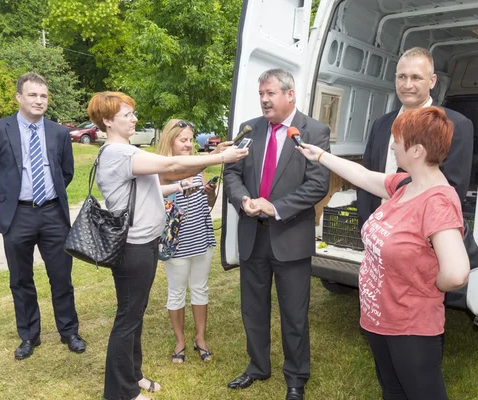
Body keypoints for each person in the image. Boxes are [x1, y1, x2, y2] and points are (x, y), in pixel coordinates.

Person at [297, 106, 470, 400]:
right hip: (380, 319)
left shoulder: (438, 201)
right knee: (392, 390)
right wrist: (321, 156)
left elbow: (456, 273)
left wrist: (429, 286)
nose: (392, 145)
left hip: (411, 327)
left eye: (397, 140)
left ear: (416, 150)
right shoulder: (406, 185)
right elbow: (363, 176)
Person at [87, 92, 248, 400]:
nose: (134, 119)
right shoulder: (118, 154)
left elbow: (154, 184)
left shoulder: (126, 151)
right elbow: (172, 162)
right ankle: (121, 393)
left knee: (135, 314)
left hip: (145, 244)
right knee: (128, 319)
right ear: (107, 121)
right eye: (127, 115)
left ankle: (134, 377)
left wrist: (180, 185)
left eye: (133, 113)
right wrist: (220, 157)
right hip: (133, 247)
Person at [223, 68, 330, 400]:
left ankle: (296, 376)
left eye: (270, 93)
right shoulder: (250, 129)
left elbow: (317, 185)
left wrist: (274, 207)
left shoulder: (313, 131)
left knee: (294, 313)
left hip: (290, 238)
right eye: (261, 94)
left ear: (289, 94)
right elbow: (231, 172)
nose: (264, 100)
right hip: (252, 235)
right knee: (253, 308)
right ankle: (258, 366)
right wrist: (243, 200)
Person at [0, 72, 85, 360]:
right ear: (19, 97)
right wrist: (9, 195)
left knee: (61, 277)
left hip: (53, 213)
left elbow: (66, 172)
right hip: (18, 216)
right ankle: (29, 336)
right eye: (33, 95)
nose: (39, 100)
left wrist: (47, 196)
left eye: (43, 96)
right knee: (21, 279)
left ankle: (69, 332)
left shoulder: (59, 132)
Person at [357, 47, 474, 230]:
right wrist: (367, 226)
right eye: (401, 77)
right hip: (377, 233)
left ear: (432, 81)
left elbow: (452, 191)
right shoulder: (381, 124)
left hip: (419, 238)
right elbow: (365, 179)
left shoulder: (455, 125)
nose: (407, 85)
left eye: (416, 77)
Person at [156, 119, 229, 363]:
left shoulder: (196, 165)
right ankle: (180, 341)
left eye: (190, 140)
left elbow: (205, 205)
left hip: (201, 237)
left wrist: (210, 194)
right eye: (183, 140)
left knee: (200, 289)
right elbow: (173, 177)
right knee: (176, 292)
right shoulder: (162, 167)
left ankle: (200, 338)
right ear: (170, 140)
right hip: (176, 241)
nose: (188, 145)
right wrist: (210, 158)